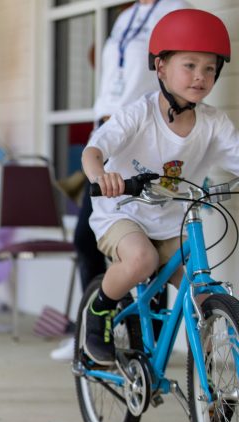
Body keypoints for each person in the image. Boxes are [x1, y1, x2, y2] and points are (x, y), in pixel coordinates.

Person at [82, 9, 238, 363]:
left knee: (201, 290)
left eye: (210, 68)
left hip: (172, 221)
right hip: (122, 213)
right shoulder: (140, 113)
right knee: (142, 258)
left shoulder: (214, 122)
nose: (200, 77)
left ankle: (213, 377)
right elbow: (94, 150)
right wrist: (100, 178)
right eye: (190, 65)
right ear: (162, 67)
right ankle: (100, 310)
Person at [53, 0, 190, 361]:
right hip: (109, 127)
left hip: (145, 130)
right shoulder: (126, 16)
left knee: (153, 242)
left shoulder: (175, 10)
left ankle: (148, 348)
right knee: (87, 238)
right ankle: (97, 324)